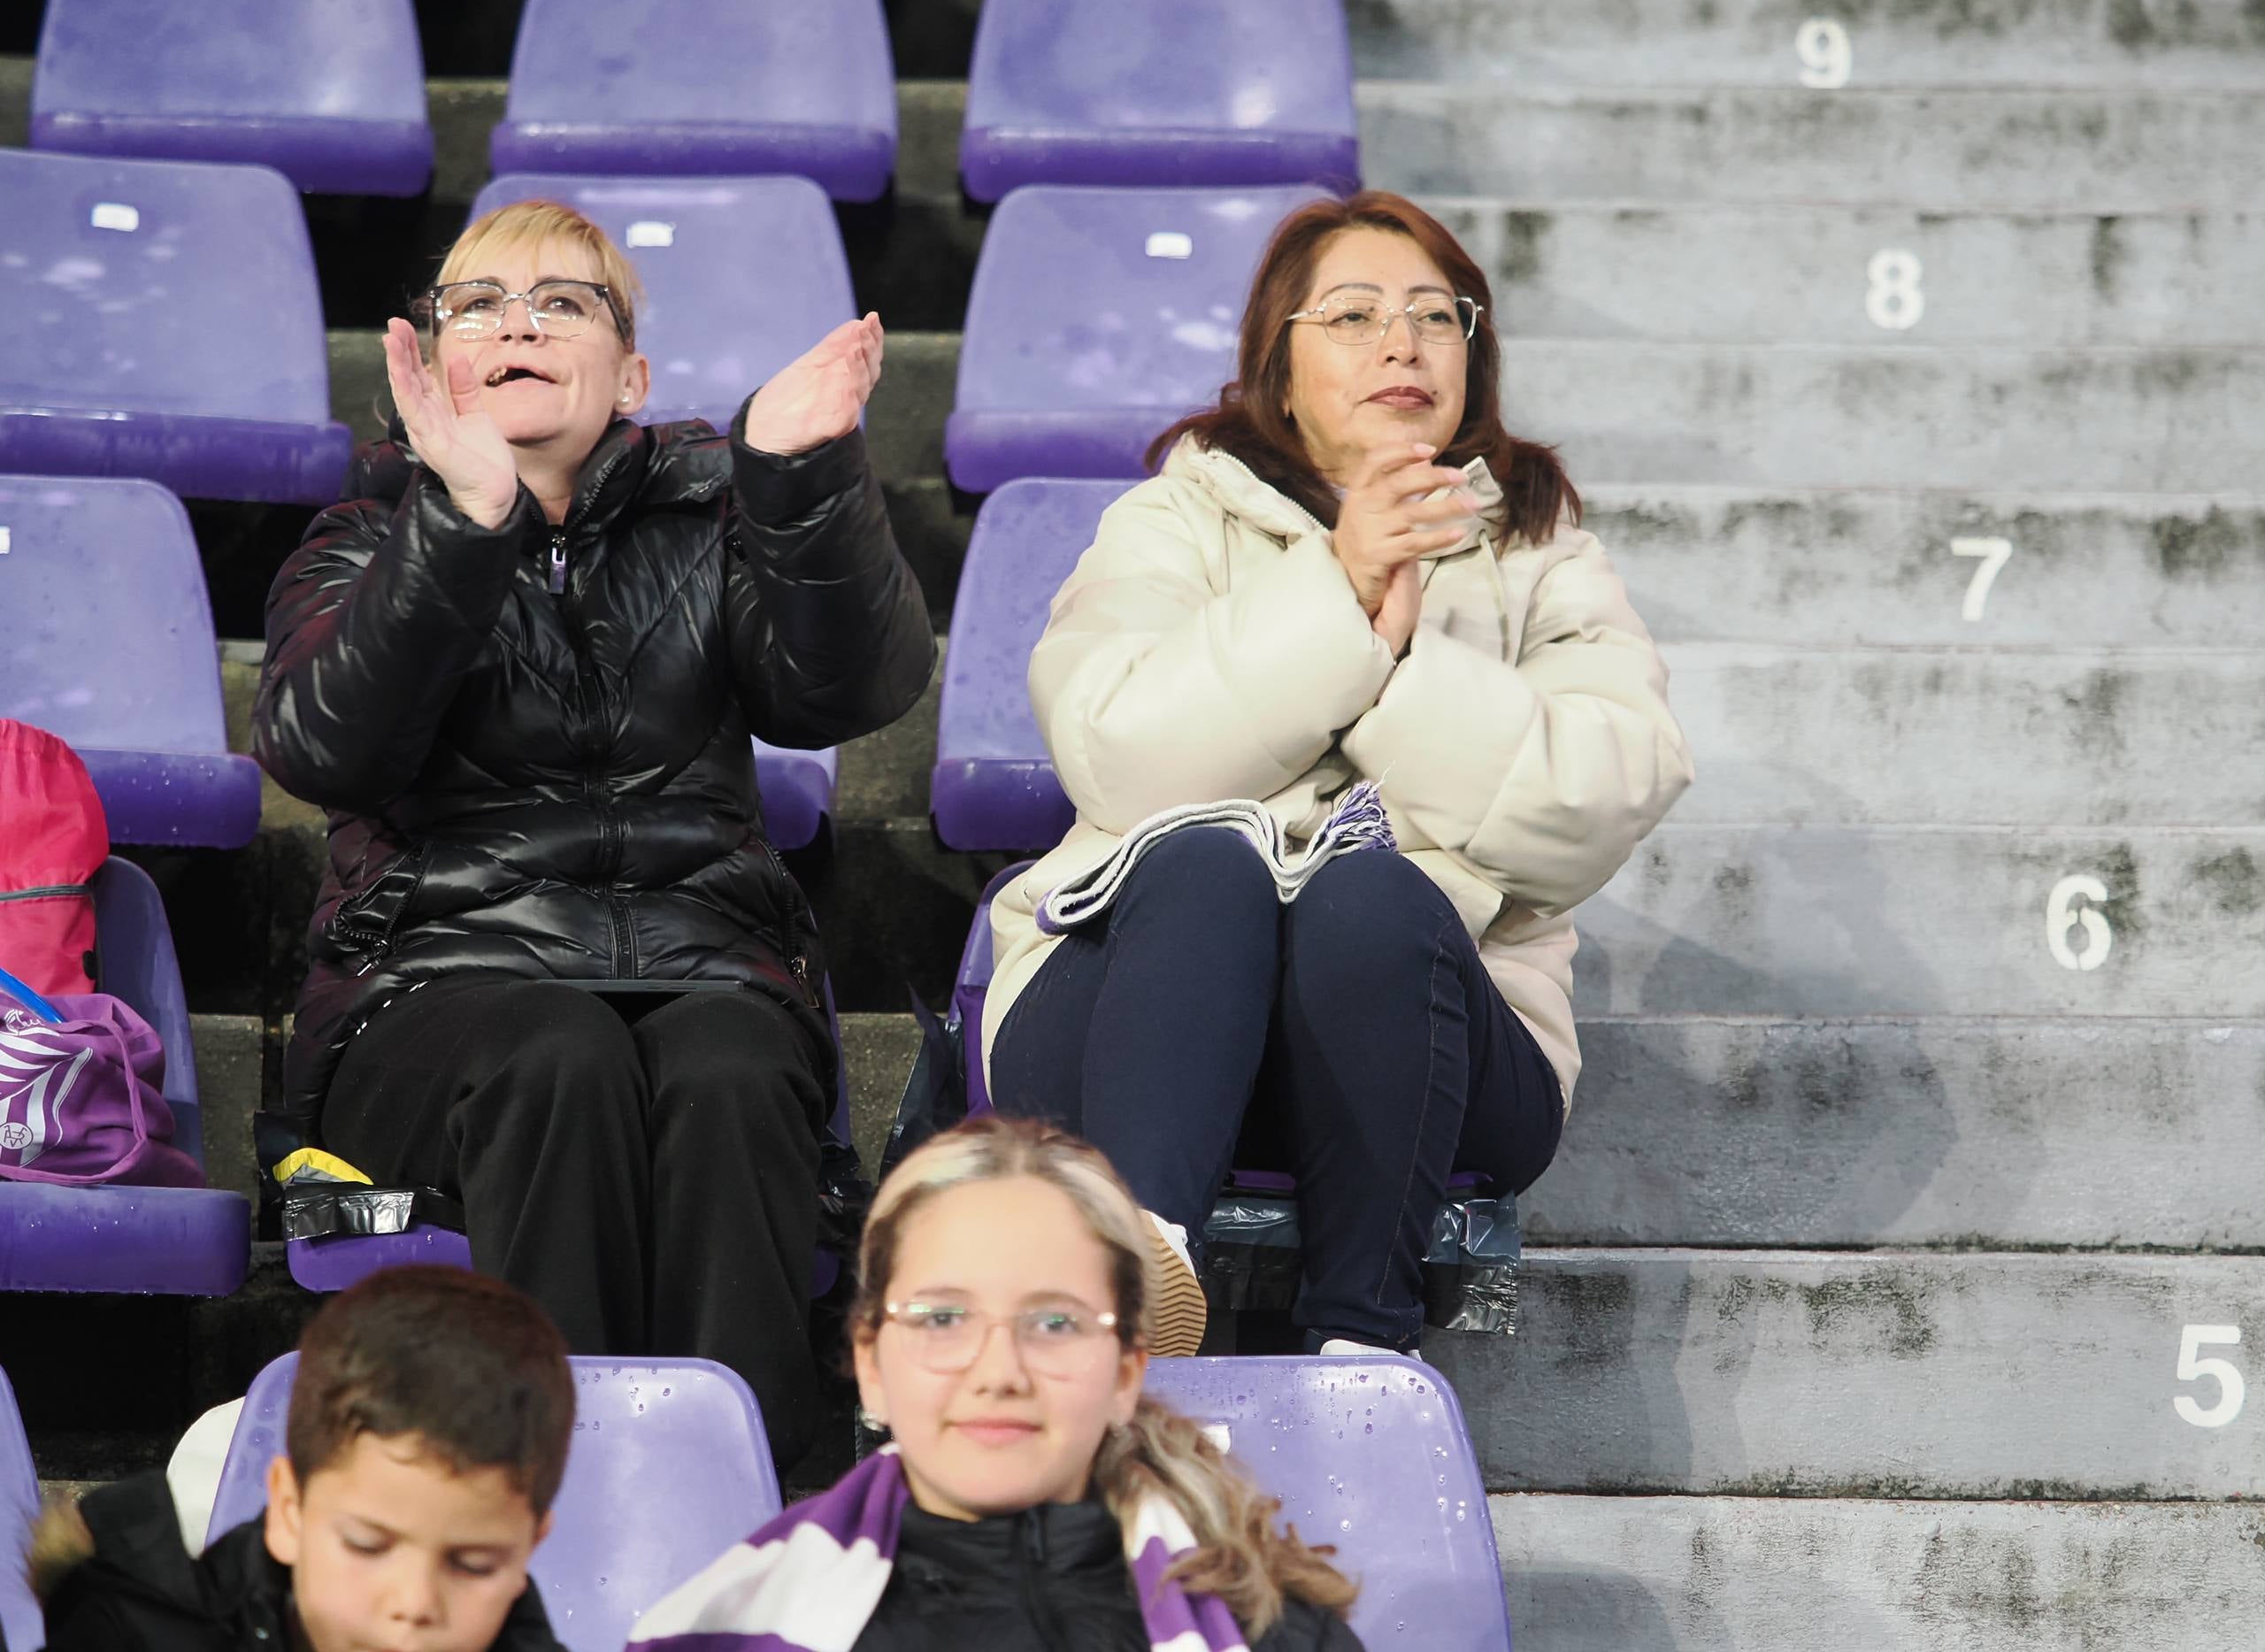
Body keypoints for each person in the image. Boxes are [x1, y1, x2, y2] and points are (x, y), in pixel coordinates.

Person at [251, 200, 933, 1467]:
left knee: (734, 1067)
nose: (519, 321)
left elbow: (846, 693)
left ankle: (755, 1524)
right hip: (437, 992)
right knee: (555, 1050)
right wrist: (461, 524)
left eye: (564, 302)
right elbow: (325, 750)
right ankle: (548, 1512)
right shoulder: (360, 543)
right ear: (432, 368)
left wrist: (801, 480)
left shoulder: (717, 524)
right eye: (481, 305)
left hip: (706, 972)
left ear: (632, 376)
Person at [985, 191, 1693, 1357]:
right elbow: (1119, 754)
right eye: (1354, 314)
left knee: (1369, 897)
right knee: (1207, 857)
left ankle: (1364, 1340)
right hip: (1134, 1019)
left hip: (1436, 1040)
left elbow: (1603, 793)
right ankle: (1135, 1274)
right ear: (1280, 358)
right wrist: (1340, 596)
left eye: (1436, 314)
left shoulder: (1537, 544)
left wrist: (1396, 672)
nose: (1403, 343)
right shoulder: (1174, 516)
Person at [629, 1117, 1366, 1652]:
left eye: (1054, 1323)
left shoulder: (1279, 1634)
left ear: (1126, 1374)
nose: (999, 1373)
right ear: (871, 1367)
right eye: (943, 1317)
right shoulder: (721, 1630)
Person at [29, 1265, 574, 1652]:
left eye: (473, 1565)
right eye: (366, 1545)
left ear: (531, 1545)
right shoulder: (130, 1629)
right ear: (289, 1511)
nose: (414, 1605)